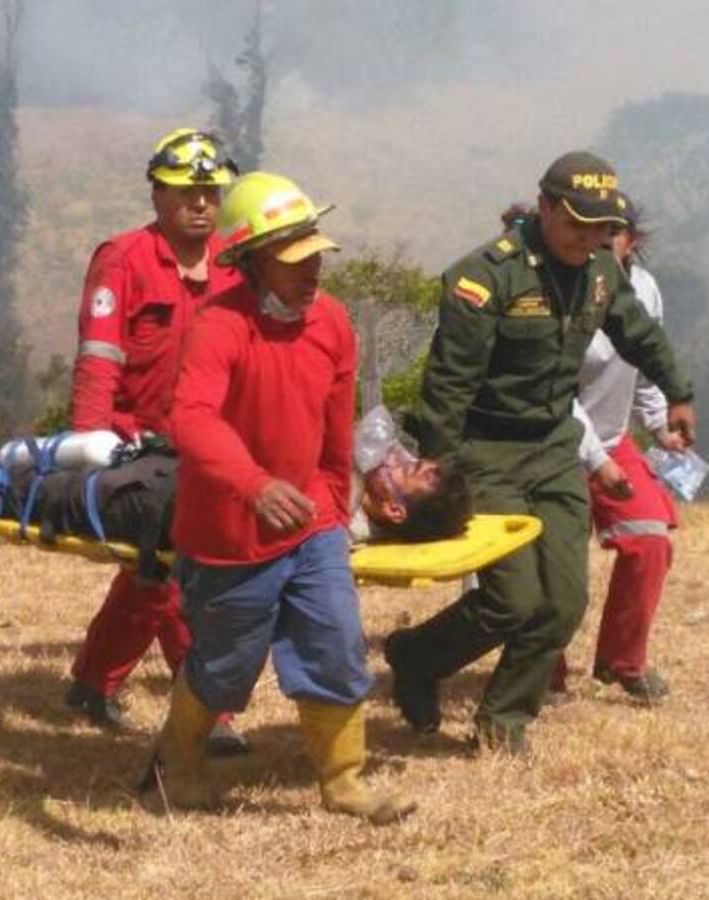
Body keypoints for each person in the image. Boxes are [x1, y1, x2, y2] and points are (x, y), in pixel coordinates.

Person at [384, 153, 696, 754]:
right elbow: (447, 387)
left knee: (563, 602)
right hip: (487, 450)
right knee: (510, 597)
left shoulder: (603, 270)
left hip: (554, 449)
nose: (589, 239)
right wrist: (441, 475)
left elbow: (639, 334)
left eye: (601, 227)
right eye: (576, 224)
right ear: (545, 207)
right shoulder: (486, 279)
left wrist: (678, 393)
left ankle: (503, 721)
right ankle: (417, 656)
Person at [144, 171, 416, 824]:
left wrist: (330, 503)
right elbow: (192, 418)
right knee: (226, 664)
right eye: (293, 257)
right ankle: (176, 767)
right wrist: (255, 485)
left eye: (315, 251)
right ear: (250, 260)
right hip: (228, 537)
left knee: (338, 642)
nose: (312, 268)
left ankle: (344, 783)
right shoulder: (220, 326)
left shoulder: (333, 322)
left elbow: (334, 425)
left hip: (313, 525)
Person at [64, 128, 247, 754]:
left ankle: (92, 681)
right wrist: (88, 448)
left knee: (152, 576)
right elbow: (99, 359)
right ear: (157, 194)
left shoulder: (231, 264)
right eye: (184, 191)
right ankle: (212, 713)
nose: (200, 202)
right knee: (179, 576)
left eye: (209, 191)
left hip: (206, 448)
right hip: (134, 450)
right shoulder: (124, 260)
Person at [554, 193, 685, 702]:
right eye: (595, 228)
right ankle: (546, 672)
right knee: (556, 567)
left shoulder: (643, 290)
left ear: (633, 238)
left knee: (650, 540)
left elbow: (645, 362)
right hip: (555, 449)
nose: (605, 239)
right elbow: (554, 394)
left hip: (613, 443)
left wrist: (659, 423)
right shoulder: (559, 290)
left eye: (616, 229)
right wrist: (596, 458)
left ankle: (623, 661)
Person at [349, 403, 473, 544]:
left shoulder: (341, 525)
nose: (393, 456)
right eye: (410, 461)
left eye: (405, 468)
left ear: (394, 509)